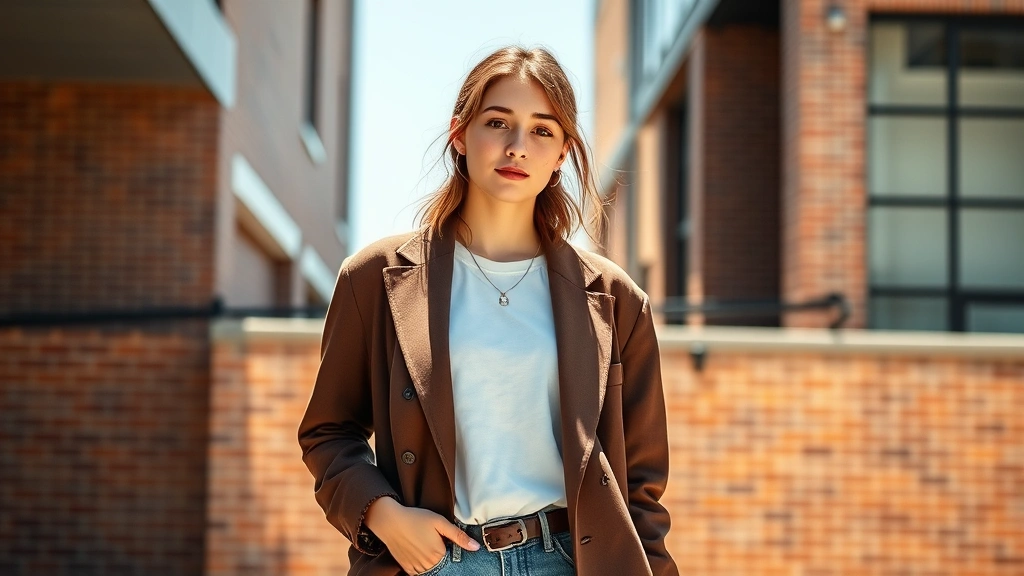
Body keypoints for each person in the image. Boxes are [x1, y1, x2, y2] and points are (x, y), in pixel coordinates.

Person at [298, 46, 678, 576]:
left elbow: (641, 485)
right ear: (460, 134)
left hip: (570, 559)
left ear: (563, 152)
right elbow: (328, 431)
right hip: (430, 562)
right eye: (498, 122)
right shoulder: (375, 279)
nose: (518, 146)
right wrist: (383, 517)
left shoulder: (616, 300)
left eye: (542, 130)